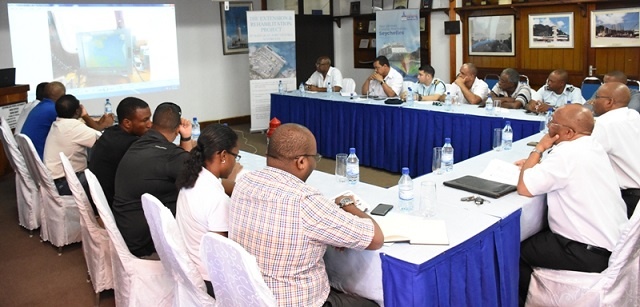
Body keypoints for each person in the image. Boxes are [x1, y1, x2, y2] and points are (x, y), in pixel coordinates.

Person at [230, 123, 383, 307]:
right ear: (301, 162)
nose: (315, 162)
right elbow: (375, 239)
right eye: (315, 157)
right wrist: (347, 204)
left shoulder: (244, 183)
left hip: (250, 297)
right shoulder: (306, 201)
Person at [515, 104, 628, 306]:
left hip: (585, 252)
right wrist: (537, 163)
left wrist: (539, 148)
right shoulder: (592, 147)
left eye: (553, 123)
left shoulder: (566, 154)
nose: (549, 126)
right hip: (613, 245)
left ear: (568, 132)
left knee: (514, 251)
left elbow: (524, 187)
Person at [112, 102, 193, 258]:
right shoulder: (169, 156)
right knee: (197, 209)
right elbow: (197, 175)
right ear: (177, 130)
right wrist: (187, 137)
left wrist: (185, 138)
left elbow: (185, 162)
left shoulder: (139, 143)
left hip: (127, 225)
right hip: (143, 239)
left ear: (153, 124)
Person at [175, 124, 242, 298]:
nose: (236, 162)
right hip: (209, 281)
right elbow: (220, 256)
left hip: (189, 267)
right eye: (236, 156)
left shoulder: (192, 179)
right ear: (224, 156)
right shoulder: (217, 200)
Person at [21, 81, 114, 159]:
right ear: (63, 97)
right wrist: (104, 125)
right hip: (42, 159)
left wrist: (96, 122)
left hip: (34, 159)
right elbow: (94, 134)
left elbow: (78, 124)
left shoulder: (41, 106)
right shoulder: (54, 109)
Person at [88, 97, 152, 207]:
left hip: (102, 201)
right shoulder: (129, 145)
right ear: (127, 123)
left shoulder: (111, 133)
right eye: (145, 120)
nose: (150, 124)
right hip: (117, 207)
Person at [590, 82, 640, 218]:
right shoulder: (634, 115)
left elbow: (587, 157)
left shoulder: (605, 123)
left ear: (609, 102)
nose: (593, 101)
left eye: (597, 97)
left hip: (628, 198)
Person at [42, 94, 99, 197]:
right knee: (104, 176)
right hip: (65, 184)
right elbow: (103, 141)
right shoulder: (73, 127)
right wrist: (85, 116)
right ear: (78, 111)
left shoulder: (57, 124)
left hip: (52, 182)